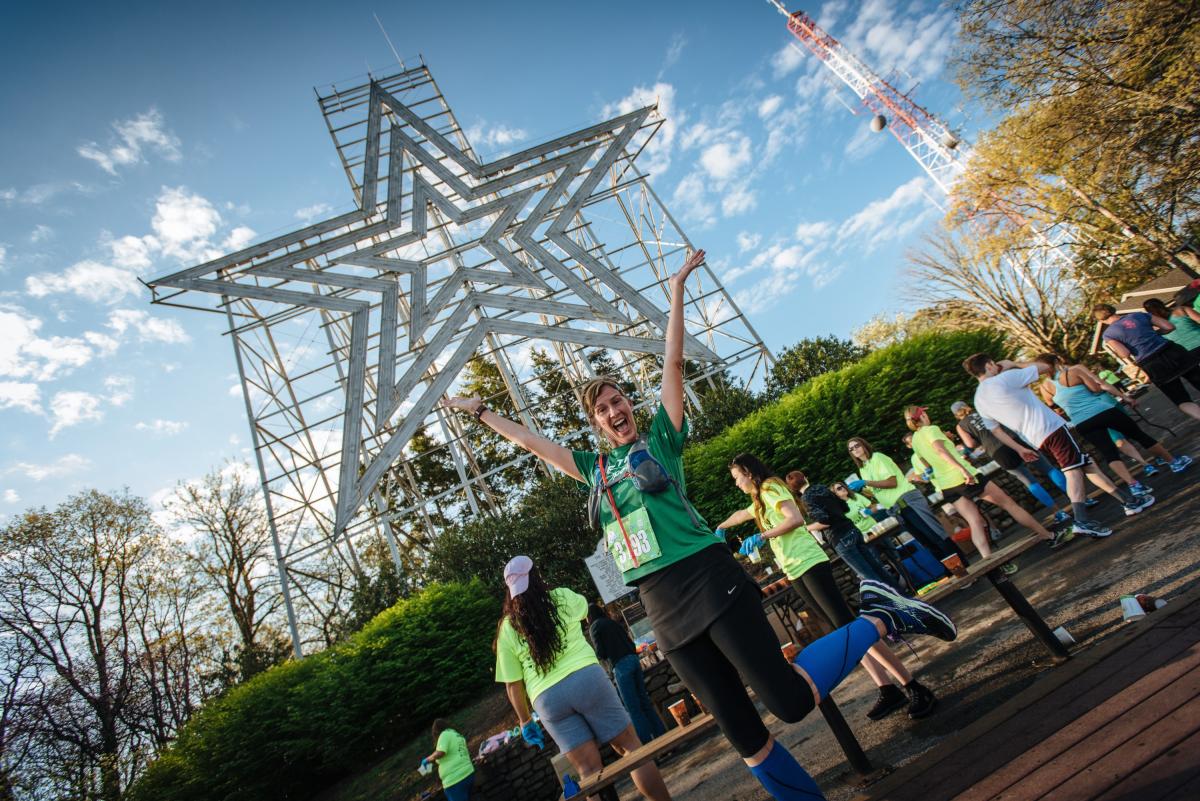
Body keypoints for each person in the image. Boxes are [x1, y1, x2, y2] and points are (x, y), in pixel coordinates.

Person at [445, 248, 958, 801]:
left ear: (630, 406)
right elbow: (531, 442)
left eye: (619, 401)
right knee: (743, 734)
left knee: (788, 701)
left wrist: (676, 291)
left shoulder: (662, 440)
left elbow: (671, 364)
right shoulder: (593, 470)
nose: (614, 412)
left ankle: (881, 616)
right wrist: (480, 412)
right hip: (661, 605)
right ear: (594, 422)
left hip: (709, 579)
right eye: (602, 410)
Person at [714, 453, 937, 721]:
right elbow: (742, 514)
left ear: (749, 473)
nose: (736, 484)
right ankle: (887, 688)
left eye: (737, 477)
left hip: (809, 562)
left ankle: (913, 685)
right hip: (794, 569)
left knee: (851, 625)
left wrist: (762, 535)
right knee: (843, 630)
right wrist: (720, 527)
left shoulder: (771, 487)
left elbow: (794, 518)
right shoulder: (759, 499)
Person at [493, 556, 671, 801]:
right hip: (586, 678)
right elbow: (585, 611)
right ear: (537, 577)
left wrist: (525, 721)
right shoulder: (562, 597)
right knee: (631, 748)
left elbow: (513, 684)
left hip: (547, 699)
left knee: (588, 772)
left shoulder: (507, 628)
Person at [966, 352, 1152, 537]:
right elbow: (1046, 367)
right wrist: (1011, 363)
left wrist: (1020, 448)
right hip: (1051, 429)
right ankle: (1082, 519)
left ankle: (1128, 500)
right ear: (990, 365)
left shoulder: (979, 399)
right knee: (1072, 470)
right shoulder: (1006, 378)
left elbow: (995, 430)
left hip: (1033, 438)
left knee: (1086, 464)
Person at [904, 405, 1062, 565]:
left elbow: (926, 463)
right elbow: (940, 451)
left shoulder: (916, 440)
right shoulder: (931, 429)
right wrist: (962, 469)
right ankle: (1048, 536)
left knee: (975, 522)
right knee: (1009, 505)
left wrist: (947, 449)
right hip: (963, 476)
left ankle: (989, 563)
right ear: (922, 415)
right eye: (925, 412)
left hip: (946, 485)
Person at [1037, 353, 1190, 487]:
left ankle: (1133, 485)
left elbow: (1054, 408)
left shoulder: (1044, 387)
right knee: (1140, 436)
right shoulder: (1074, 371)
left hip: (1081, 422)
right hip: (1103, 410)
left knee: (1109, 453)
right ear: (1057, 361)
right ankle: (1173, 462)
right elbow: (1096, 389)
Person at [846, 436, 963, 569]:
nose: (855, 449)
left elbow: (892, 482)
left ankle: (962, 567)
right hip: (896, 509)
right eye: (851, 449)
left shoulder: (878, 458)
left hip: (907, 501)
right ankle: (953, 571)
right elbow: (878, 491)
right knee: (925, 542)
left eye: (857, 445)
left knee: (934, 535)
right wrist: (864, 491)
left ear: (864, 445)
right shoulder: (863, 469)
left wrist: (866, 482)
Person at [782, 470, 904, 590]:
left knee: (869, 576)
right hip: (852, 530)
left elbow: (824, 521)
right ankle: (902, 596)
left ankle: (893, 604)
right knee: (877, 567)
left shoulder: (806, 499)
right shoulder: (822, 488)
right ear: (805, 478)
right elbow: (845, 507)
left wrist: (807, 528)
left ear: (793, 489)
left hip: (840, 537)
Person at [950, 401, 1071, 522]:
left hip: (998, 451)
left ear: (956, 414)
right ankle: (1078, 500)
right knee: (1049, 469)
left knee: (1029, 481)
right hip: (1014, 440)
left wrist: (979, 438)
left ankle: (1058, 512)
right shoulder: (984, 409)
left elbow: (970, 444)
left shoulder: (960, 426)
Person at [1093, 303, 1200, 422]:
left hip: (1151, 363)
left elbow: (1124, 354)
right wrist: (1155, 334)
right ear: (1113, 310)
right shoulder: (1139, 315)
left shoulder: (1108, 334)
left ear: (1100, 320)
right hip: (1171, 350)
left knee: (1181, 399)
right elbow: (1169, 326)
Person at [586, 603, 666, 745]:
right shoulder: (611, 622)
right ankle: (663, 738)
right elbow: (629, 641)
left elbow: (600, 653)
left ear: (589, 616)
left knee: (633, 708)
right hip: (634, 660)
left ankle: (648, 746)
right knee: (645, 702)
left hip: (621, 666)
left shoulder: (594, 627)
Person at [423, 719, 476, 801]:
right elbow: (451, 755)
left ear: (436, 731)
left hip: (455, 780)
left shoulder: (444, 734)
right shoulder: (457, 735)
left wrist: (427, 759)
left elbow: (440, 752)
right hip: (468, 774)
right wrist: (432, 760)